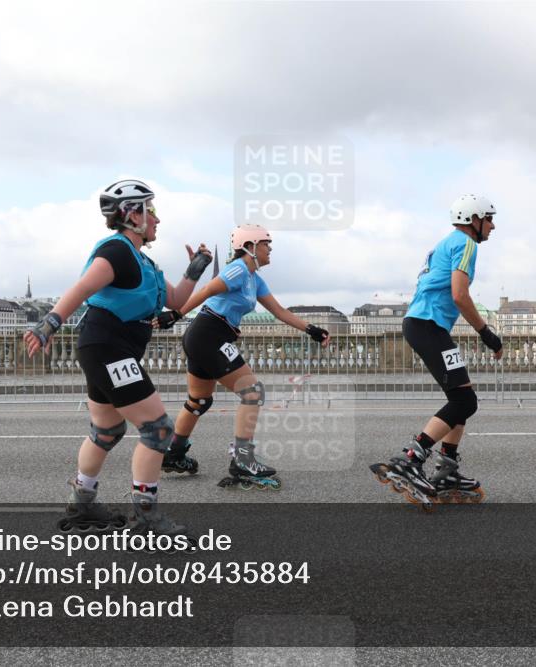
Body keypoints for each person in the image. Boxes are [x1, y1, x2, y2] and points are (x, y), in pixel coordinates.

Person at [24, 178, 212, 532]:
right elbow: (82, 287)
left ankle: (82, 503)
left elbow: (175, 300)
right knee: (158, 430)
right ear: (133, 214)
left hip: (106, 347)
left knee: (107, 430)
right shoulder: (117, 251)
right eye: (151, 210)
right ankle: (146, 518)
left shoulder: (144, 262)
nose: (157, 218)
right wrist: (48, 324)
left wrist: (196, 269)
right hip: (108, 346)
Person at [153, 224, 331, 490]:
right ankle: (243, 459)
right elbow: (207, 290)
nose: (270, 249)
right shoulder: (237, 269)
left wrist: (312, 330)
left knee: (199, 400)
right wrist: (176, 314)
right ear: (250, 247)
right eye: (266, 243)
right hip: (209, 334)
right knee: (253, 392)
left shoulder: (254, 279)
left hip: (204, 336)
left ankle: (174, 453)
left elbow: (279, 311)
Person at [370, 194, 503, 508]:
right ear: (473, 219)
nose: (492, 226)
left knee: (462, 398)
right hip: (427, 326)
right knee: (464, 401)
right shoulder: (466, 244)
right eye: (489, 219)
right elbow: (460, 295)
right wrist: (487, 333)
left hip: (426, 326)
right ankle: (410, 460)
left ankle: (447, 469)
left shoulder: (446, 243)